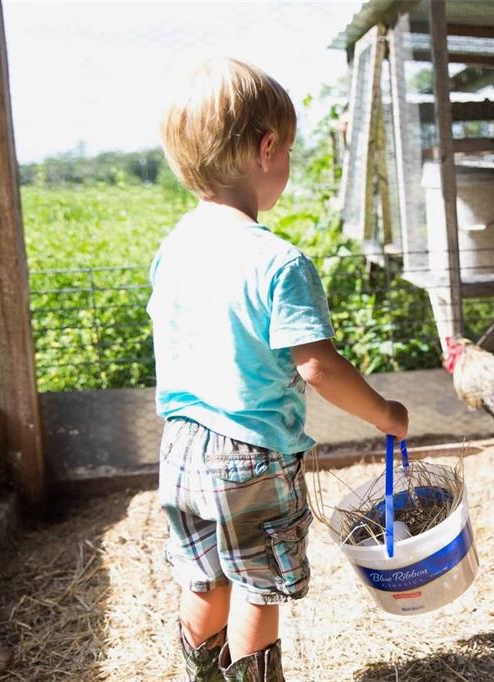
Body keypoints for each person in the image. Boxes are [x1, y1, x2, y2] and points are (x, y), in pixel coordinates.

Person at [149, 57, 409, 682]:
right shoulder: (278, 262)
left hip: (179, 452)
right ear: (268, 148)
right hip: (249, 455)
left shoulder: (173, 250)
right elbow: (317, 366)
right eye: (287, 149)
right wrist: (387, 413)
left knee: (204, 577)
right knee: (257, 587)